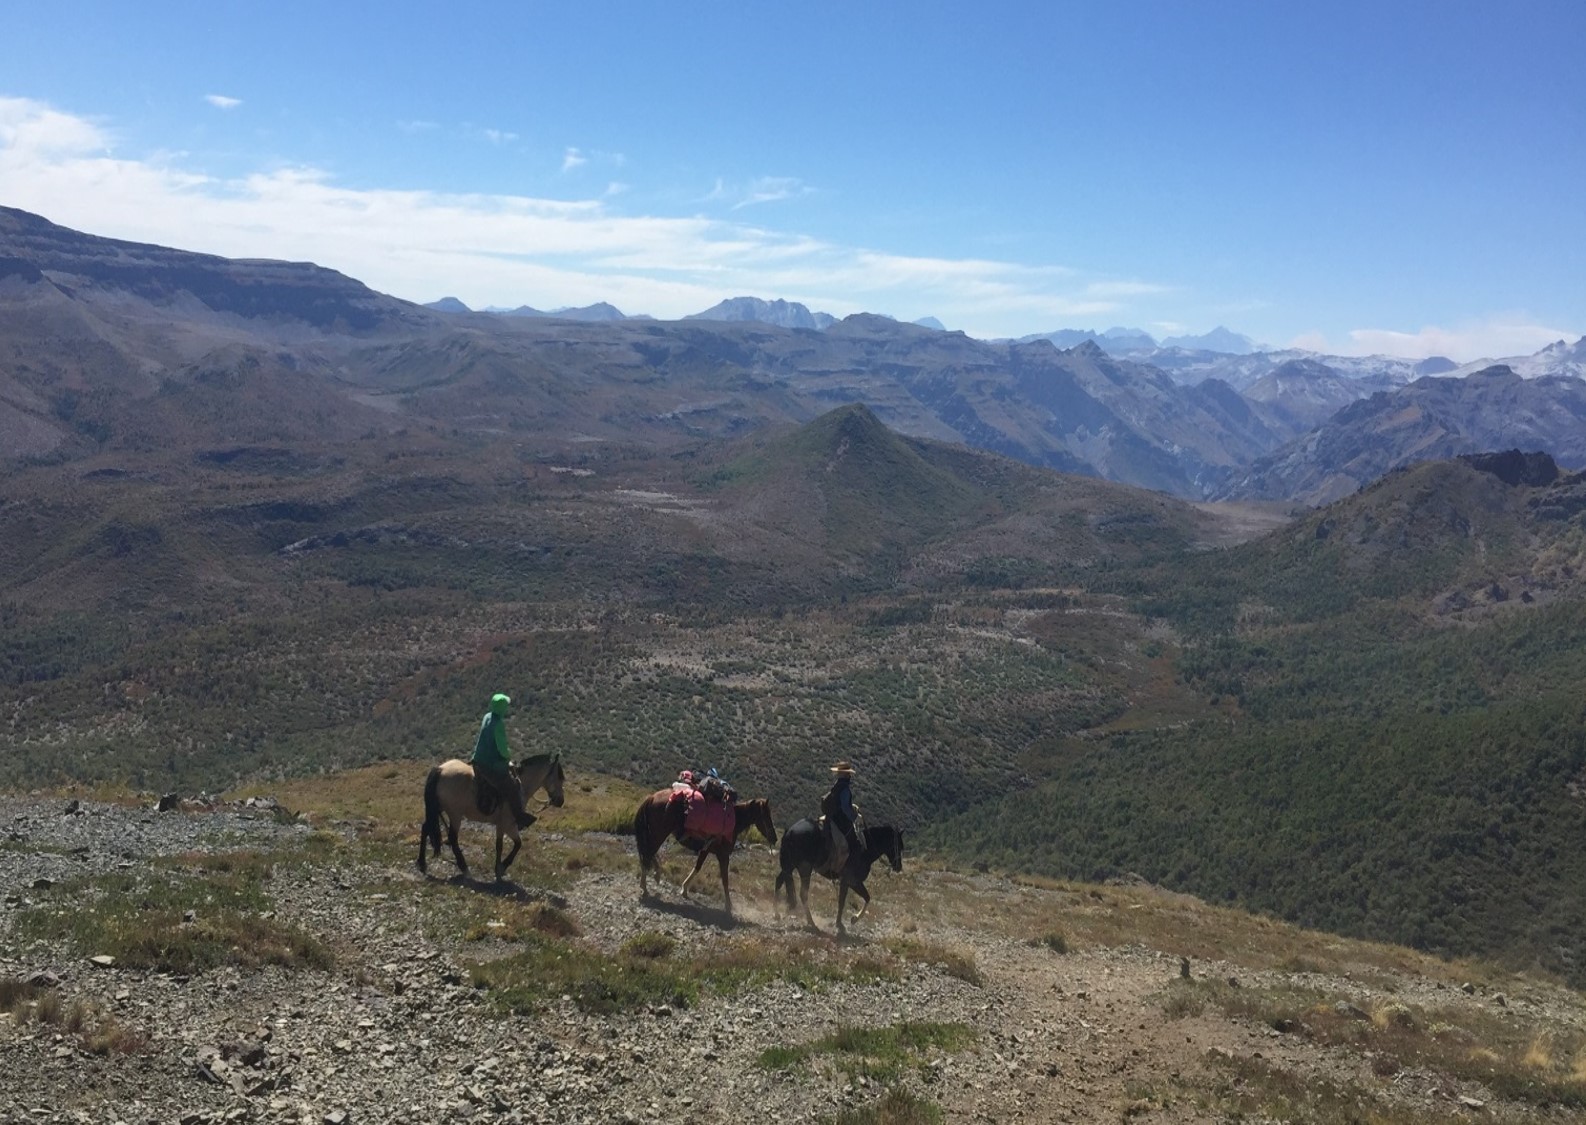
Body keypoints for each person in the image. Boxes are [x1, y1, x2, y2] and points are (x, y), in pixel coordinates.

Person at [470, 692, 535, 829]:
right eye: (505, 706)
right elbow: (502, 748)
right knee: (512, 786)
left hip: (478, 758)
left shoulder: (487, 716)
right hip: (489, 763)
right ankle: (519, 817)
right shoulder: (498, 724)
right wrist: (508, 759)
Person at [821, 760, 861, 873]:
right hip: (839, 819)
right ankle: (838, 870)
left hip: (832, 816)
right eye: (847, 773)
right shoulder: (845, 789)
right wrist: (854, 816)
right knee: (848, 844)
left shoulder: (836, 786)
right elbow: (845, 808)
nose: (849, 776)